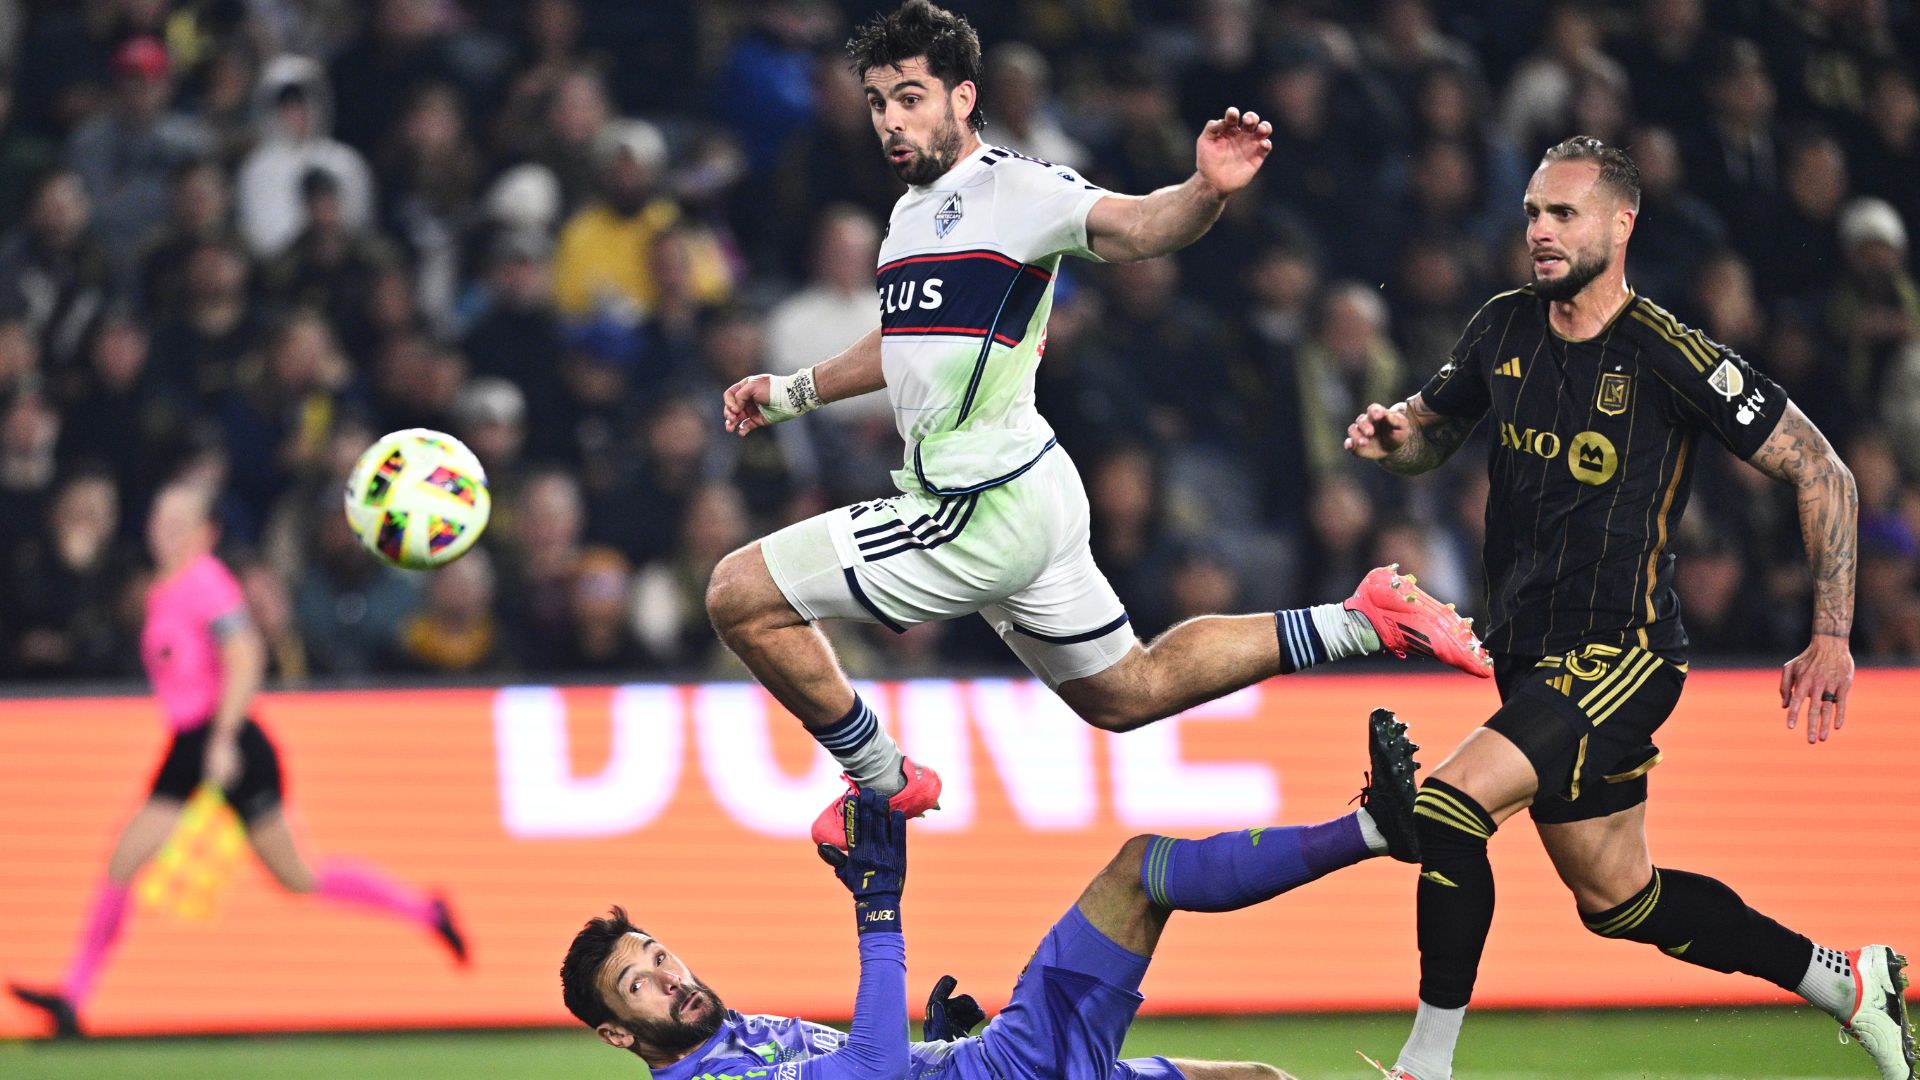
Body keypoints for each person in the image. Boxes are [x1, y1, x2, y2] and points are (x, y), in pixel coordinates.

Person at [708, 0, 1491, 852]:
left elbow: (1139, 225)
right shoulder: (906, 221)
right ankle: (1365, 617)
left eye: (910, 97)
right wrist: (790, 392)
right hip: (1031, 489)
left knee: (739, 594)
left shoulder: (1017, 188)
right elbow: (906, 342)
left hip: (977, 506)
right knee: (1127, 693)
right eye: (876, 103)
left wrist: (1202, 191)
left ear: (964, 98)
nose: (891, 121)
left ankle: (885, 780)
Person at [1342, 136, 1912, 1080]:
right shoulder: (1501, 327)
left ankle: (1425, 1065)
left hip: (1626, 654)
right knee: (1618, 900)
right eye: (1532, 213)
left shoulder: (1666, 354)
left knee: (1445, 807)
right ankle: (1848, 983)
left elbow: (1822, 468)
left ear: (1621, 223)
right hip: (1527, 654)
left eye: (1563, 214)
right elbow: (1429, 437)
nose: (1540, 231)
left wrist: (1832, 634)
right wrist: (1394, 436)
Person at [560, 711, 1425, 1080]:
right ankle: (1382, 829)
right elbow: (870, 1070)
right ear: (615, 1032)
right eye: (640, 985)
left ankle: (1383, 830)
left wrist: (936, 1050)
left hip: (986, 1067)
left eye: (658, 955)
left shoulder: (734, 1035)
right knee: (1137, 873)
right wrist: (877, 909)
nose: (669, 977)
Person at [8, 480, 466, 1038]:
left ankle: (427, 912)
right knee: (125, 861)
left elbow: (245, 655)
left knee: (297, 877)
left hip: (228, 742)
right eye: (161, 520)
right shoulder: (163, 590)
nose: (166, 532)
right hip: (190, 741)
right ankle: (73, 999)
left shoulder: (207, 584)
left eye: (180, 523)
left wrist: (224, 740)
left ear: (207, 534)